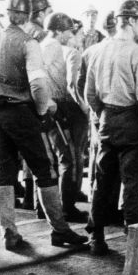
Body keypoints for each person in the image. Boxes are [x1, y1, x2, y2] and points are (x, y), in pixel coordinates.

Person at [0, 0, 87, 252]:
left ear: (7, 13)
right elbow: (37, 84)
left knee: (5, 172)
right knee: (45, 169)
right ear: (30, 15)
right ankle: (59, 229)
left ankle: (8, 232)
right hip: (22, 112)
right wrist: (42, 111)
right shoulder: (28, 43)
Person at [83, 0, 138, 254]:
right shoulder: (136, 52)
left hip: (106, 121)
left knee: (102, 181)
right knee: (130, 181)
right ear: (130, 22)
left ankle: (96, 236)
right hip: (132, 122)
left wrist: (101, 115)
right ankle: (135, 236)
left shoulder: (100, 49)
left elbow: (89, 93)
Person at [42, 12, 89, 223]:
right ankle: (67, 209)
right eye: (68, 31)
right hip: (56, 106)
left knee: (49, 160)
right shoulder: (54, 47)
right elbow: (70, 84)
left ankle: (42, 207)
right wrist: (84, 107)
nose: (70, 34)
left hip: (46, 106)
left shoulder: (42, 45)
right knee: (68, 159)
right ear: (59, 30)